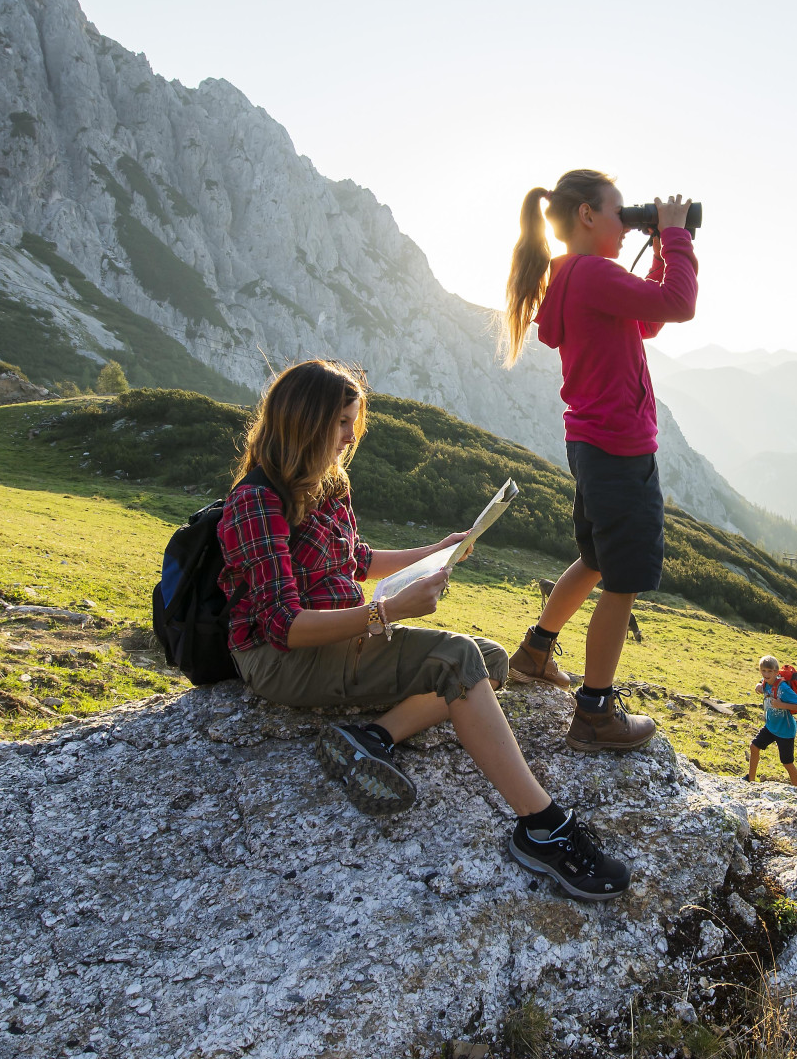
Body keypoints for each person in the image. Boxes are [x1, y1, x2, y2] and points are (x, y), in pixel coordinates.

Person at [218, 358, 630, 901]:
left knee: (491, 661)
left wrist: (436, 552)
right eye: (341, 423)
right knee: (459, 660)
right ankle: (543, 827)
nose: (349, 437)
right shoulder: (255, 501)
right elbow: (281, 626)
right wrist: (385, 613)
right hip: (283, 660)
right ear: (305, 422)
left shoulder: (327, 483)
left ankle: (372, 737)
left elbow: (354, 560)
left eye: (352, 423)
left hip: (343, 638)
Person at [500, 170, 698, 753]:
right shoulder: (590, 273)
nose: (624, 222)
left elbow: (649, 318)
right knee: (623, 581)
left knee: (592, 557)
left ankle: (535, 653)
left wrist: (660, 245)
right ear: (587, 215)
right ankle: (594, 714)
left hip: (591, 445)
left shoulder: (570, 276)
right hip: (619, 449)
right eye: (619, 212)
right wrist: (676, 236)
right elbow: (680, 305)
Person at [745, 655, 797, 787]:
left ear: (776, 672)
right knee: (754, 747)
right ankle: (751, 780)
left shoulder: (783, 688)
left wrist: (781, 705)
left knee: (787, 763)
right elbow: (761, 683)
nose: (766, 674)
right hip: (771, 726)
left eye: (769, 671)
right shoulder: (766, 682)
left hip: (785, 731)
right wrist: (758, 685)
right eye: (764, 671)